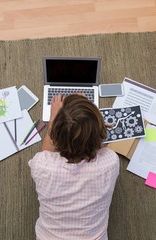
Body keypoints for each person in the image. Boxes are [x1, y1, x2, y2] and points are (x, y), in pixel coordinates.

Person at [28, 94, 120, 240]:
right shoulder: (110, 162)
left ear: (55, 135)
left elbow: (46, 152)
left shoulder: (41, 166)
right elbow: (98, 145)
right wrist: (85, 112)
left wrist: (54, 118)